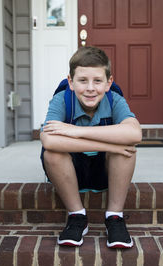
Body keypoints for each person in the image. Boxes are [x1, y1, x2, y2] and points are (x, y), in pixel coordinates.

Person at [40, 46, 141, 248]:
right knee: (52, 153)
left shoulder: (114, 100)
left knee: (126, 146)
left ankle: (114, 217)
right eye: (82, 80)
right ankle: (77, 216)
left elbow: (135, 133)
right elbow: (48, 140)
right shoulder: (62, 99)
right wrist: (109, 145)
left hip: (105, 170)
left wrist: (76, 131)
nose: (90, 88)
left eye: (97, 81)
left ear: (108, 83)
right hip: (70, 172)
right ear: (70, 81)